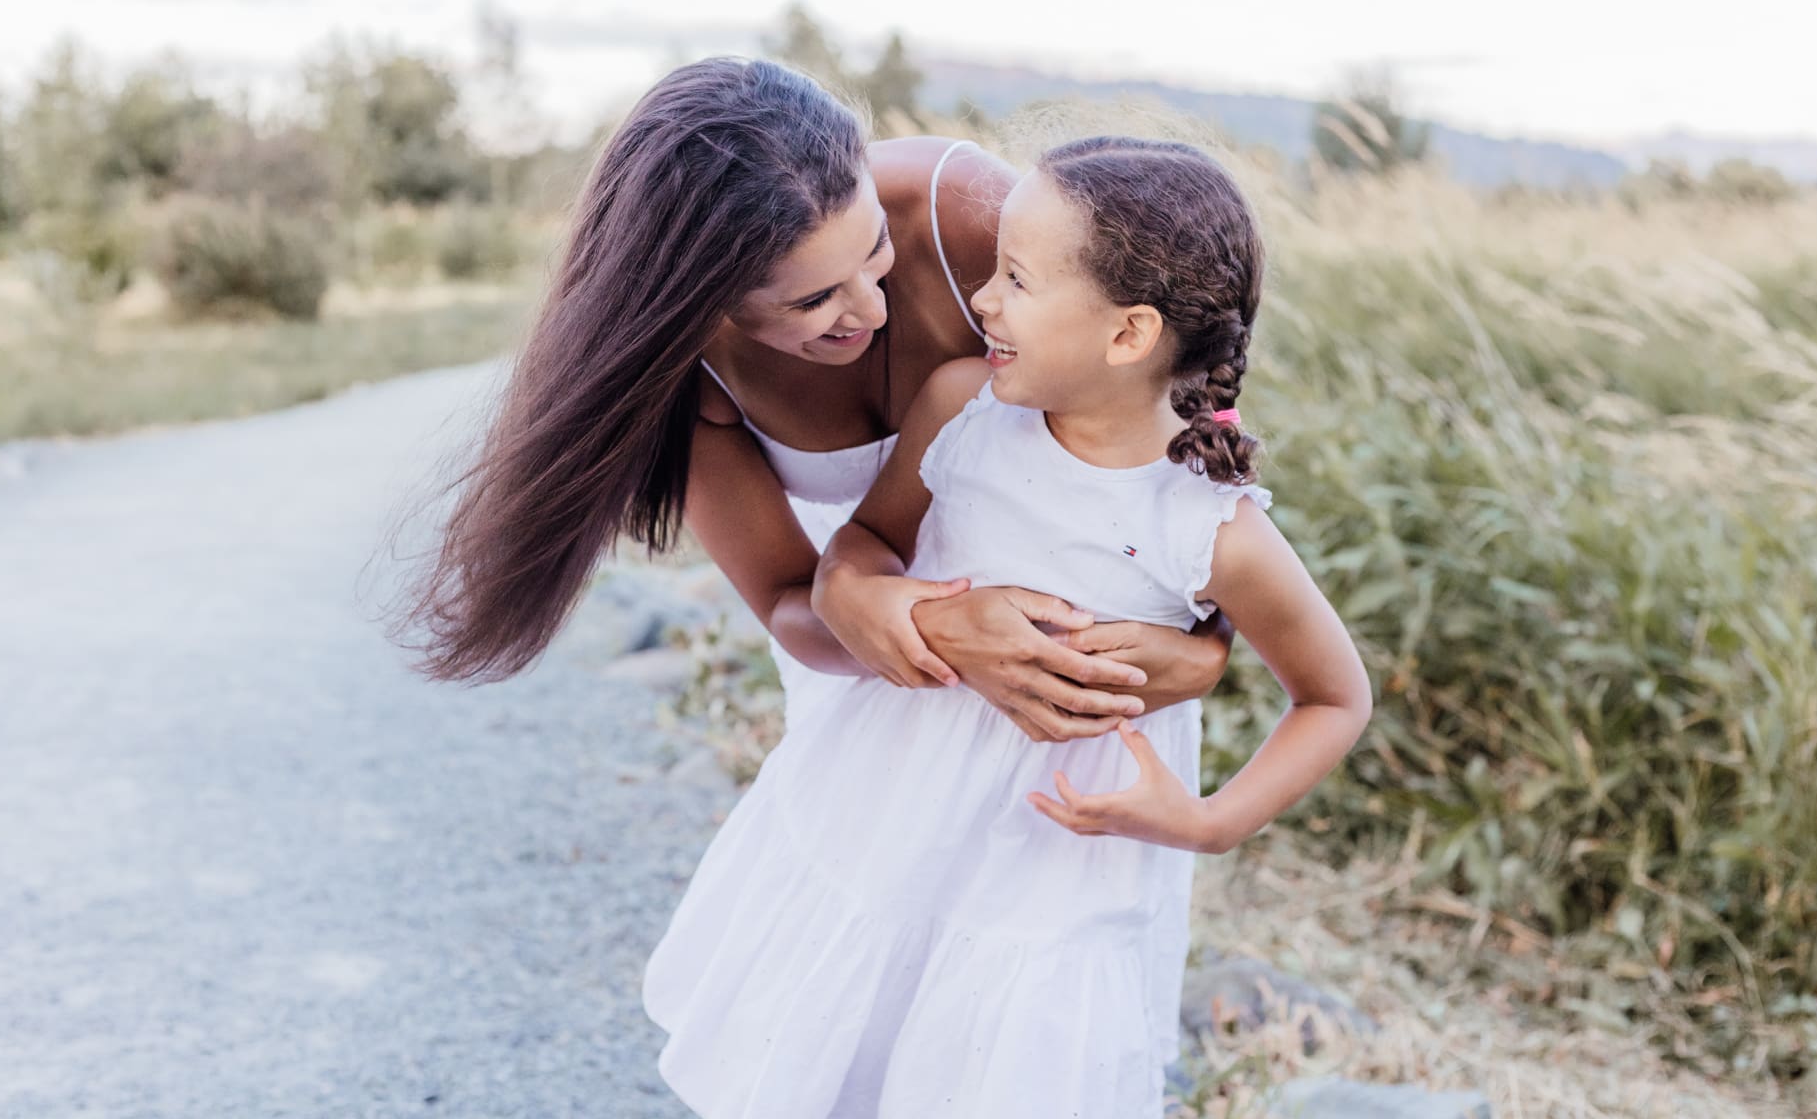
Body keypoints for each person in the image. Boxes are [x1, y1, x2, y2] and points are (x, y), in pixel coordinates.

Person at [643, 136, 1372, 1117]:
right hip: (896, 787)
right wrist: (888, 601)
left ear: (1129, 334)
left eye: (1016, 280)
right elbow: (859, 549)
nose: (981, 301)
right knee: (854, 1028)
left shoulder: (1212, 525)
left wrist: (1211, 822)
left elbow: (1333, 693)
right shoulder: (962, 407)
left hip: (1062, 839)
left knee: (1003, 1061)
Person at [400, 57, 1234, 736]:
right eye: (811, 303)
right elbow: (784, 604)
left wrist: (1207, 647)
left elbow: (1175, 406)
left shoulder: (969, 218)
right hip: (873, 684)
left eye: (873, 250)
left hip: (1101, 678)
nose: (870, 310)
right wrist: (919, 622)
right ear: (702, 305)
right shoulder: (691, 385)